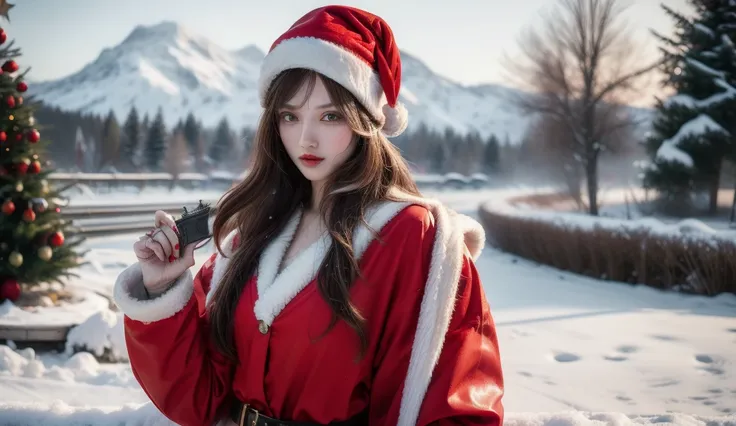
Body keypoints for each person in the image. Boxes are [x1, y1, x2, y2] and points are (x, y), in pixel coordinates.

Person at [113, 5, 504, 426]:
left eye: (329, 115)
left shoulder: (415, 239)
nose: (305, 138)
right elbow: (198, 400)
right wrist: (163, 287)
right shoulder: (252, 235)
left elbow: (457, 408)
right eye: (290, 116)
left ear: (365, 120)